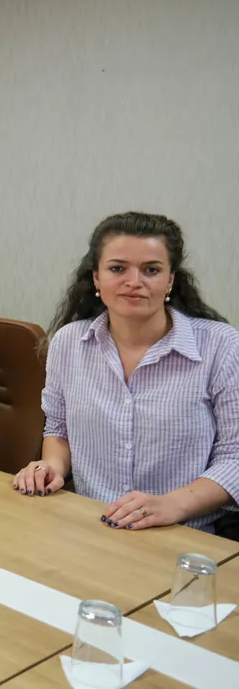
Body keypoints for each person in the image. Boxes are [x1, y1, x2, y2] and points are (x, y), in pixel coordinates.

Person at [12, 212, 239, 536]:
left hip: (183, 533)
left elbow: (234, 457)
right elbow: (59, 429)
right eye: (118, 269)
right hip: (88, 526)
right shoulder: (68, 342)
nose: (134, 281)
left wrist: (173, 505)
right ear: (96, 278)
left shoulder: (222, 346)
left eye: (151, 270)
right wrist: (51, 467)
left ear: (170, 280)